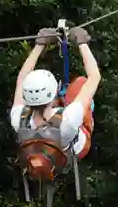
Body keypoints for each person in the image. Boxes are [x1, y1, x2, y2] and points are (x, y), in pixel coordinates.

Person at [10, 26, 101, 164]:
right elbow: (94, 77)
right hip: (75, 149)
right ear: (54, 95)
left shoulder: (19, 118)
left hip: (46, 153)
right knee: (81, 84)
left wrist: (39, 45)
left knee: (74, 104)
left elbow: (21, 79)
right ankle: (88, 123)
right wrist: (82, 43)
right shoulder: (69, 119)